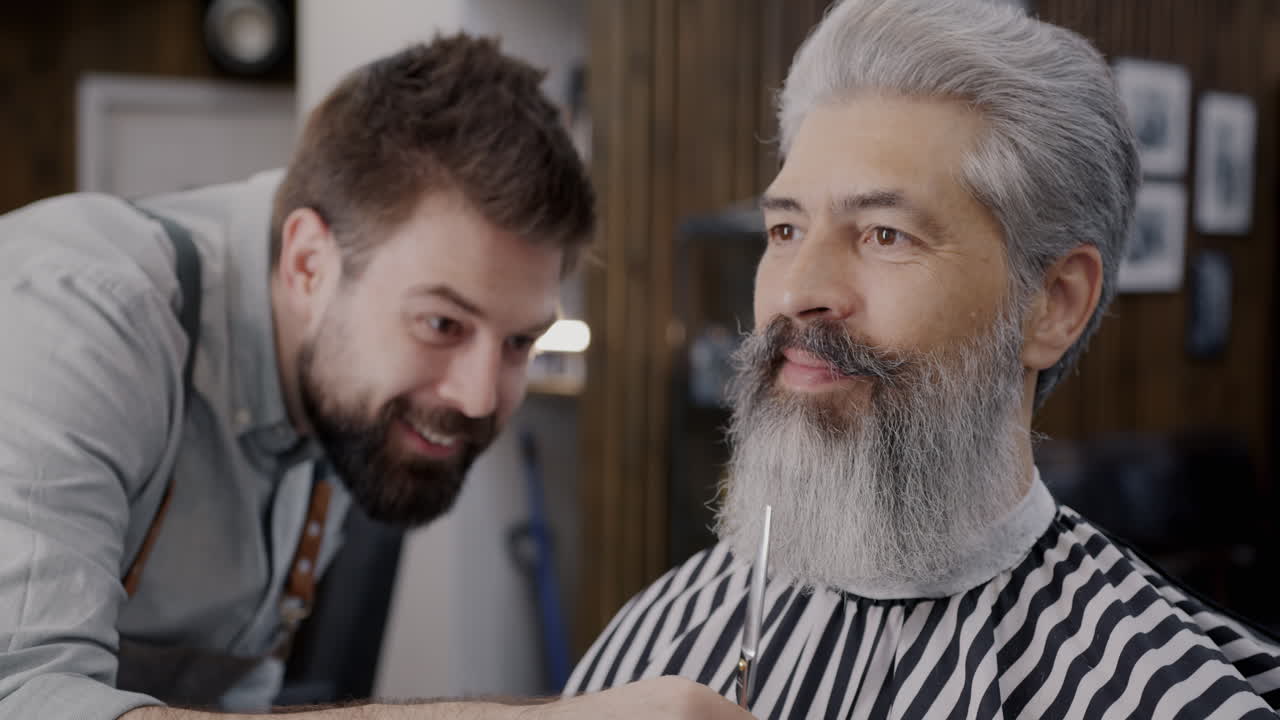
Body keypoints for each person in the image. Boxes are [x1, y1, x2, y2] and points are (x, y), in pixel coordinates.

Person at [0, 34, 751, 720]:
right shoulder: (75, 319)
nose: (481, 396)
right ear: (308, 265)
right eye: (441, 325)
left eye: (520, 341)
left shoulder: (333, 385)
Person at [566, 0, 1280, 717]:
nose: (795, 292)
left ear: (1055, 303)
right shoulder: (652, 643)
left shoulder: (1169, 695)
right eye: (785, 228)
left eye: (884, 234)